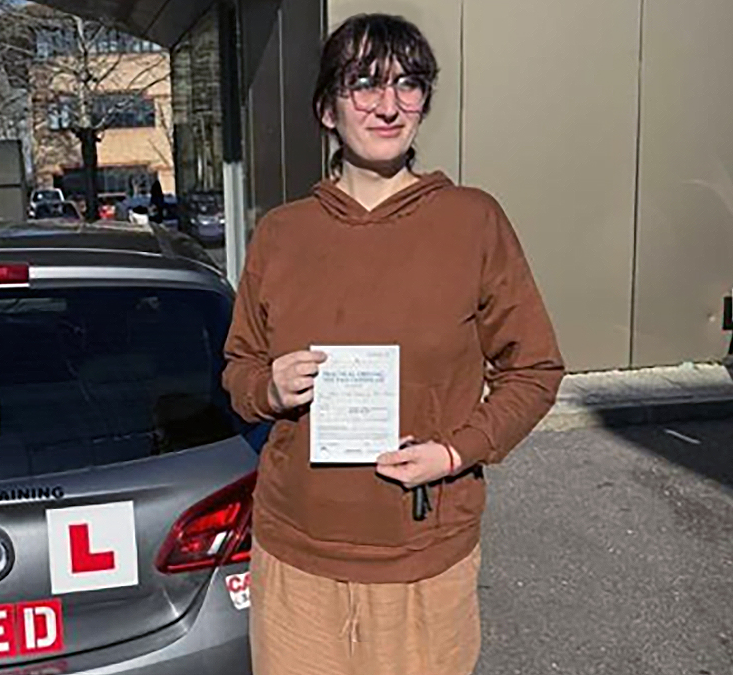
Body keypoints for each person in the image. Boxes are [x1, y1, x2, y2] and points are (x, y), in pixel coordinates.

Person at [222, 13, 565, 675]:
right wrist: (268, 386)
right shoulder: (282, 234)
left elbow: (535, 369)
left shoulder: (473, 220)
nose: (388, 105)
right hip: (296, 556)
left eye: (408, 84)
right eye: (364, 84)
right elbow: (239, 367)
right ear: (326, 107)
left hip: (421, 557)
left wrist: (455, 450)